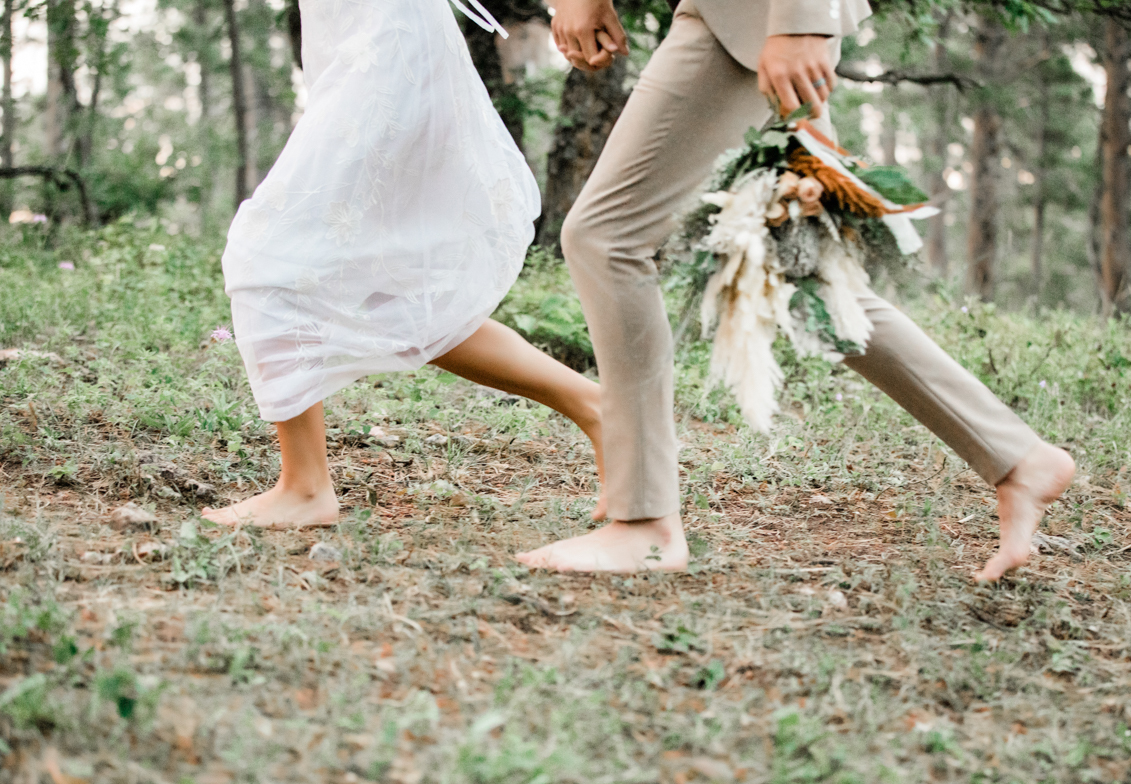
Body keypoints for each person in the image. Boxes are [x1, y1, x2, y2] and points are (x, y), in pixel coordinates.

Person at [515, 0, 1075, 582]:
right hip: (759, 23)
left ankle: (644, 525)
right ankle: (1017, 458)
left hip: (751, 18)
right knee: (806, 273)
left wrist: (799, 21)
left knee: (606, 238)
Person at [203, 0, 606, 529]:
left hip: (387, 48)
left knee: (269, 257)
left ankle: (304, 488)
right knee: (385, 289)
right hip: (356, 47)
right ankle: (597, 407)